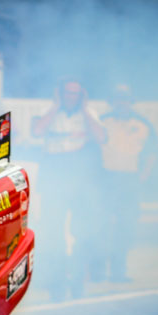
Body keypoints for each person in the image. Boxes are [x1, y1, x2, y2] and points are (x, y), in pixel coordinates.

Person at [31, 77, 107, 299]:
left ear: (82, 95)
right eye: (67, 93)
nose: (71, 97)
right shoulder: (47, 111)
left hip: (80, 178)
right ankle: (56, 283)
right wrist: (55, 106)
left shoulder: (89, 113)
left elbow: (102, 137)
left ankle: (78, 280)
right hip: (54, 175)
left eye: (76, 93)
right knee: (53, 231)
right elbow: (37, 131)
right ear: (60, 93)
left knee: (82, 230)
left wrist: (85, 110)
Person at [99, 84, 158, 282]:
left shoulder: (143, 124)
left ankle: (118, 271)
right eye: (118, 98)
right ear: (112, 101)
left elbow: (152, 153)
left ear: (131, 101)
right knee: (101, 225)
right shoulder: (103, 121)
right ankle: (98, 270)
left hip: (130, 180)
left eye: (125, 99)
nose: (122, 102)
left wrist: (142, 177)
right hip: (106, 179)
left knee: (125, 226)